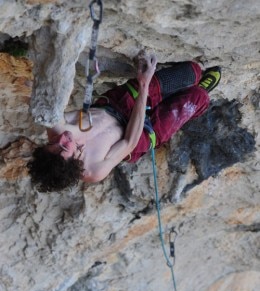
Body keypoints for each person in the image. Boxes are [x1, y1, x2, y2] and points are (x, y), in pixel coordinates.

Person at [27, 51, 221, 192]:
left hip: (119, 104)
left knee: (192, 70)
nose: (62, 139)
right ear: (73, 163)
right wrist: (144, 84)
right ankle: (202, 91)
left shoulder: (58, 129)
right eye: (63, 148)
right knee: (196, 97)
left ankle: (193, 80)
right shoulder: (94, 170)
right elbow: (129, 142)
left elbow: (54, 95)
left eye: (52, 143)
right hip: (141, 135)